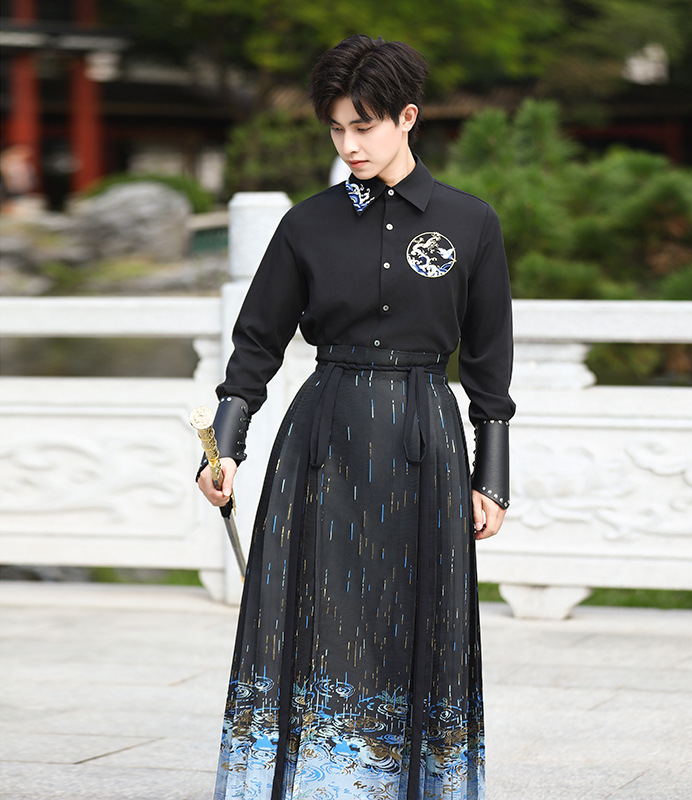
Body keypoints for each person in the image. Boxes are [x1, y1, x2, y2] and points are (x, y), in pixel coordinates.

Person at [198, 34, 514, 800]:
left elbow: (488, 361)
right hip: (324, 435)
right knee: (317, 613)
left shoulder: (470, 223)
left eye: (364, 126)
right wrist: (226, 446)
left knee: (420, 617)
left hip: (426, 435)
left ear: (407, 117)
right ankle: (320, 783)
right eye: (337, 129)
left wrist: (492, 478)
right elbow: (256, 343)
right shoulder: (307, 225)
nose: (349, 146)